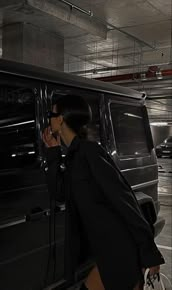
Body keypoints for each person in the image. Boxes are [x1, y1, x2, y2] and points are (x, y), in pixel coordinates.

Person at [42, 94, 165, 290]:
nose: (48, 118)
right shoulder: (73, 156)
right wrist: (52, 153)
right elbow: (59, 194)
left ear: (61, 119)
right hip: (107, 252)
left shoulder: (91, 152)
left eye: (51, 114)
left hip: (121, 252)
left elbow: (126, 202)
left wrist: (149, 254)